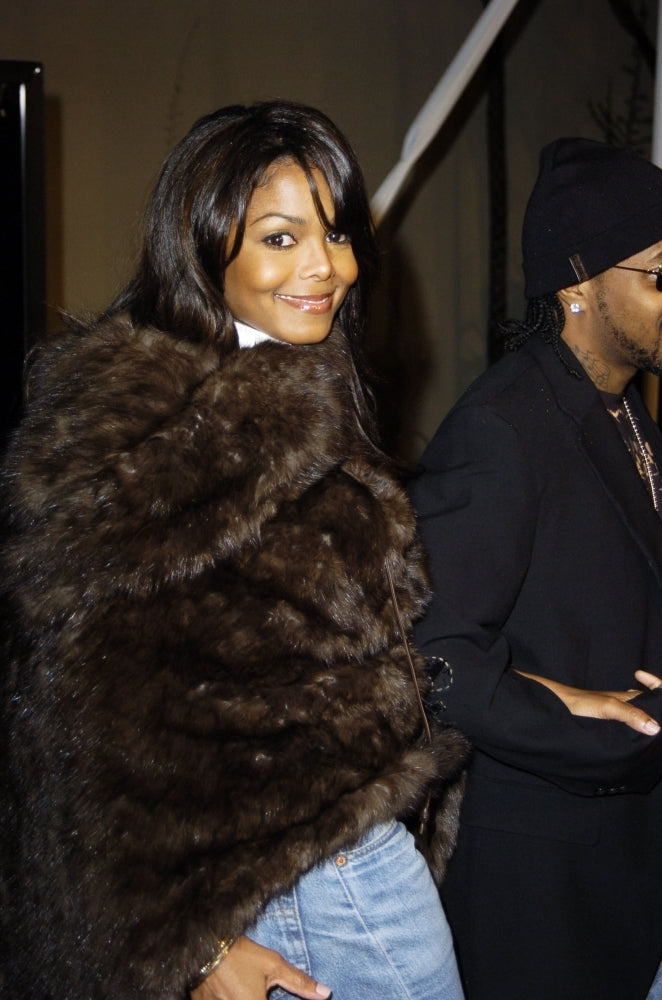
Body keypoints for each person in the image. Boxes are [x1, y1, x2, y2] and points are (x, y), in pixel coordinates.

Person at [0, 101, 468, 1000]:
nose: (326, 268)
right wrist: (199, 944)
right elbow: (73, 726)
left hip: (336, 856)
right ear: (205, 241)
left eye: (335, 233)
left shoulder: (296, 394)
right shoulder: (149, 443)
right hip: (290, 884)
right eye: (281, 239)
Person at [409, 137, 662, 1000]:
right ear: (579, 284)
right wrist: (610, 732)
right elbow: (432, 659)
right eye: (661, 276)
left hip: (627, 873)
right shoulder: (505, 428)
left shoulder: (626, 417)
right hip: (543, 889)